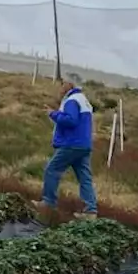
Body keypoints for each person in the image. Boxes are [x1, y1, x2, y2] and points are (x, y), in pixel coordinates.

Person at [35, 73, 97, 219]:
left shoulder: (72, 100)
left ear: (70, 85)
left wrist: (53, 114)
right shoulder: (83, 100)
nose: (61, 86)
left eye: (63, 83)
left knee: (52, 169)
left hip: (71, 144)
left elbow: (71, 121)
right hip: (83, 145)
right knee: (84, 178)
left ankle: (48, 202)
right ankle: (91, 211)